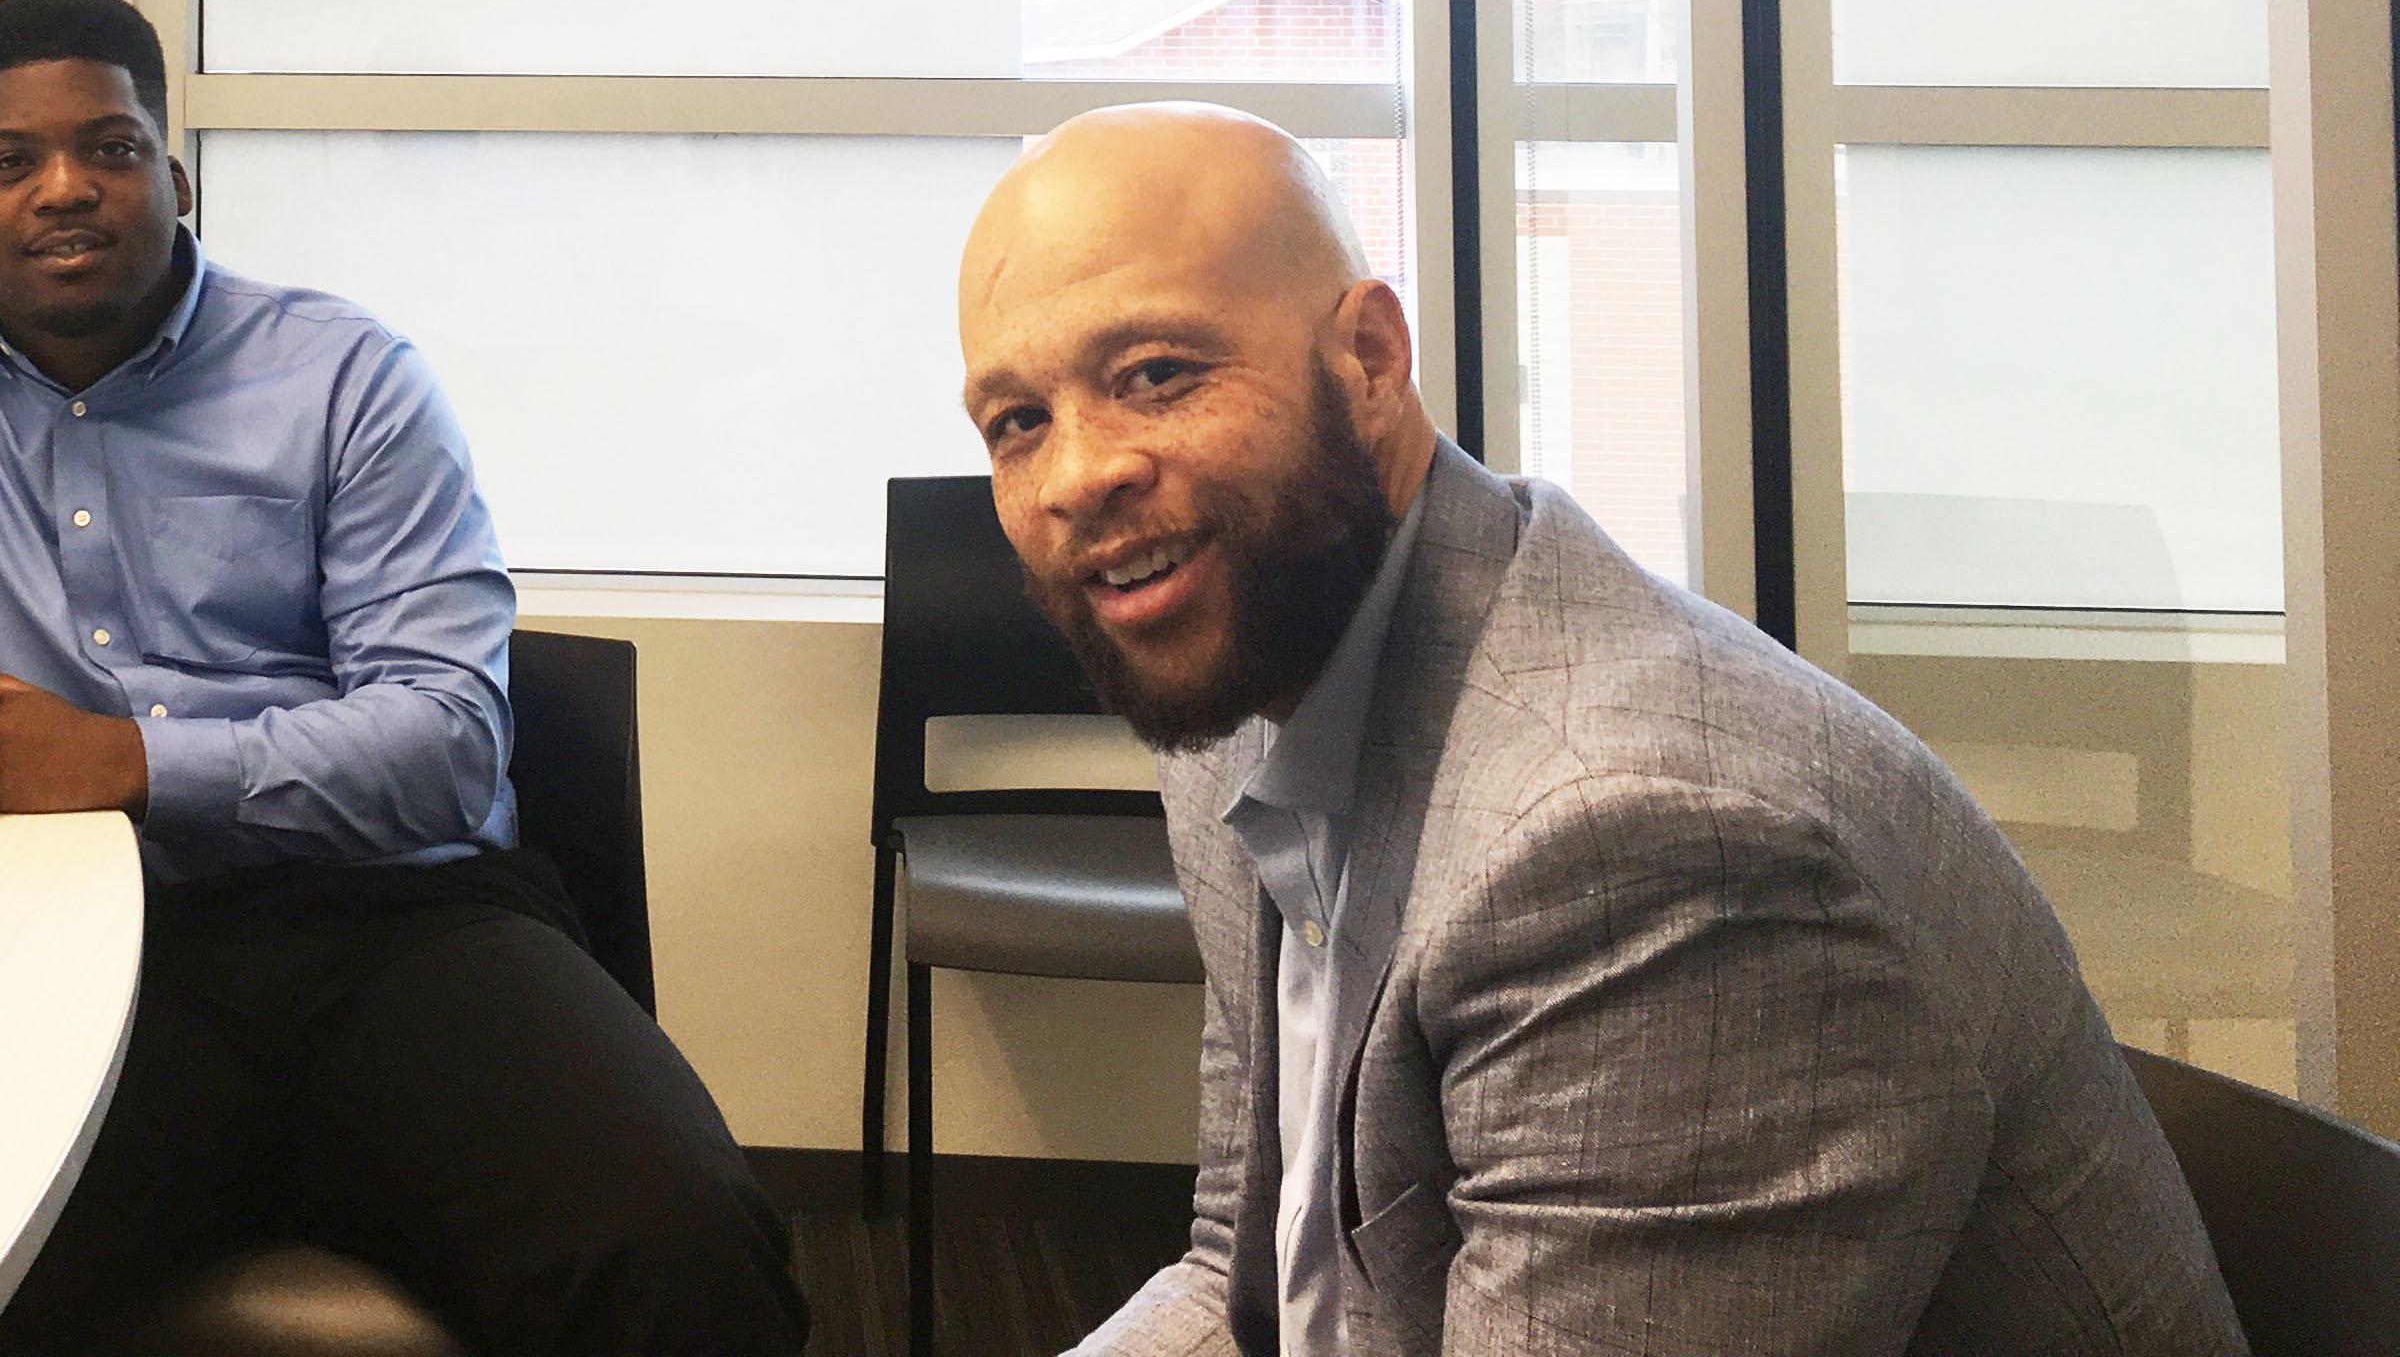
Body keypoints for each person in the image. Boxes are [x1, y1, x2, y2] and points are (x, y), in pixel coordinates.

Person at [0, 0, 802, 1357]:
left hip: (396, 932)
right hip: (56, 952)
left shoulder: (347, 382)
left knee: (683, 1249)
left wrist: (127, 764)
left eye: (112, 148)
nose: (64, 191)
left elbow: (448, 743)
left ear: (178, 178)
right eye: (11, 162)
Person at [958, 102, 2240, 1357]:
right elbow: (1252, 1271)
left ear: (1369, 361)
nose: (1078, 473)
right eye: (1019, 421)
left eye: (1158, 375)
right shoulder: (1248, 702)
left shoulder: (1653, 849)